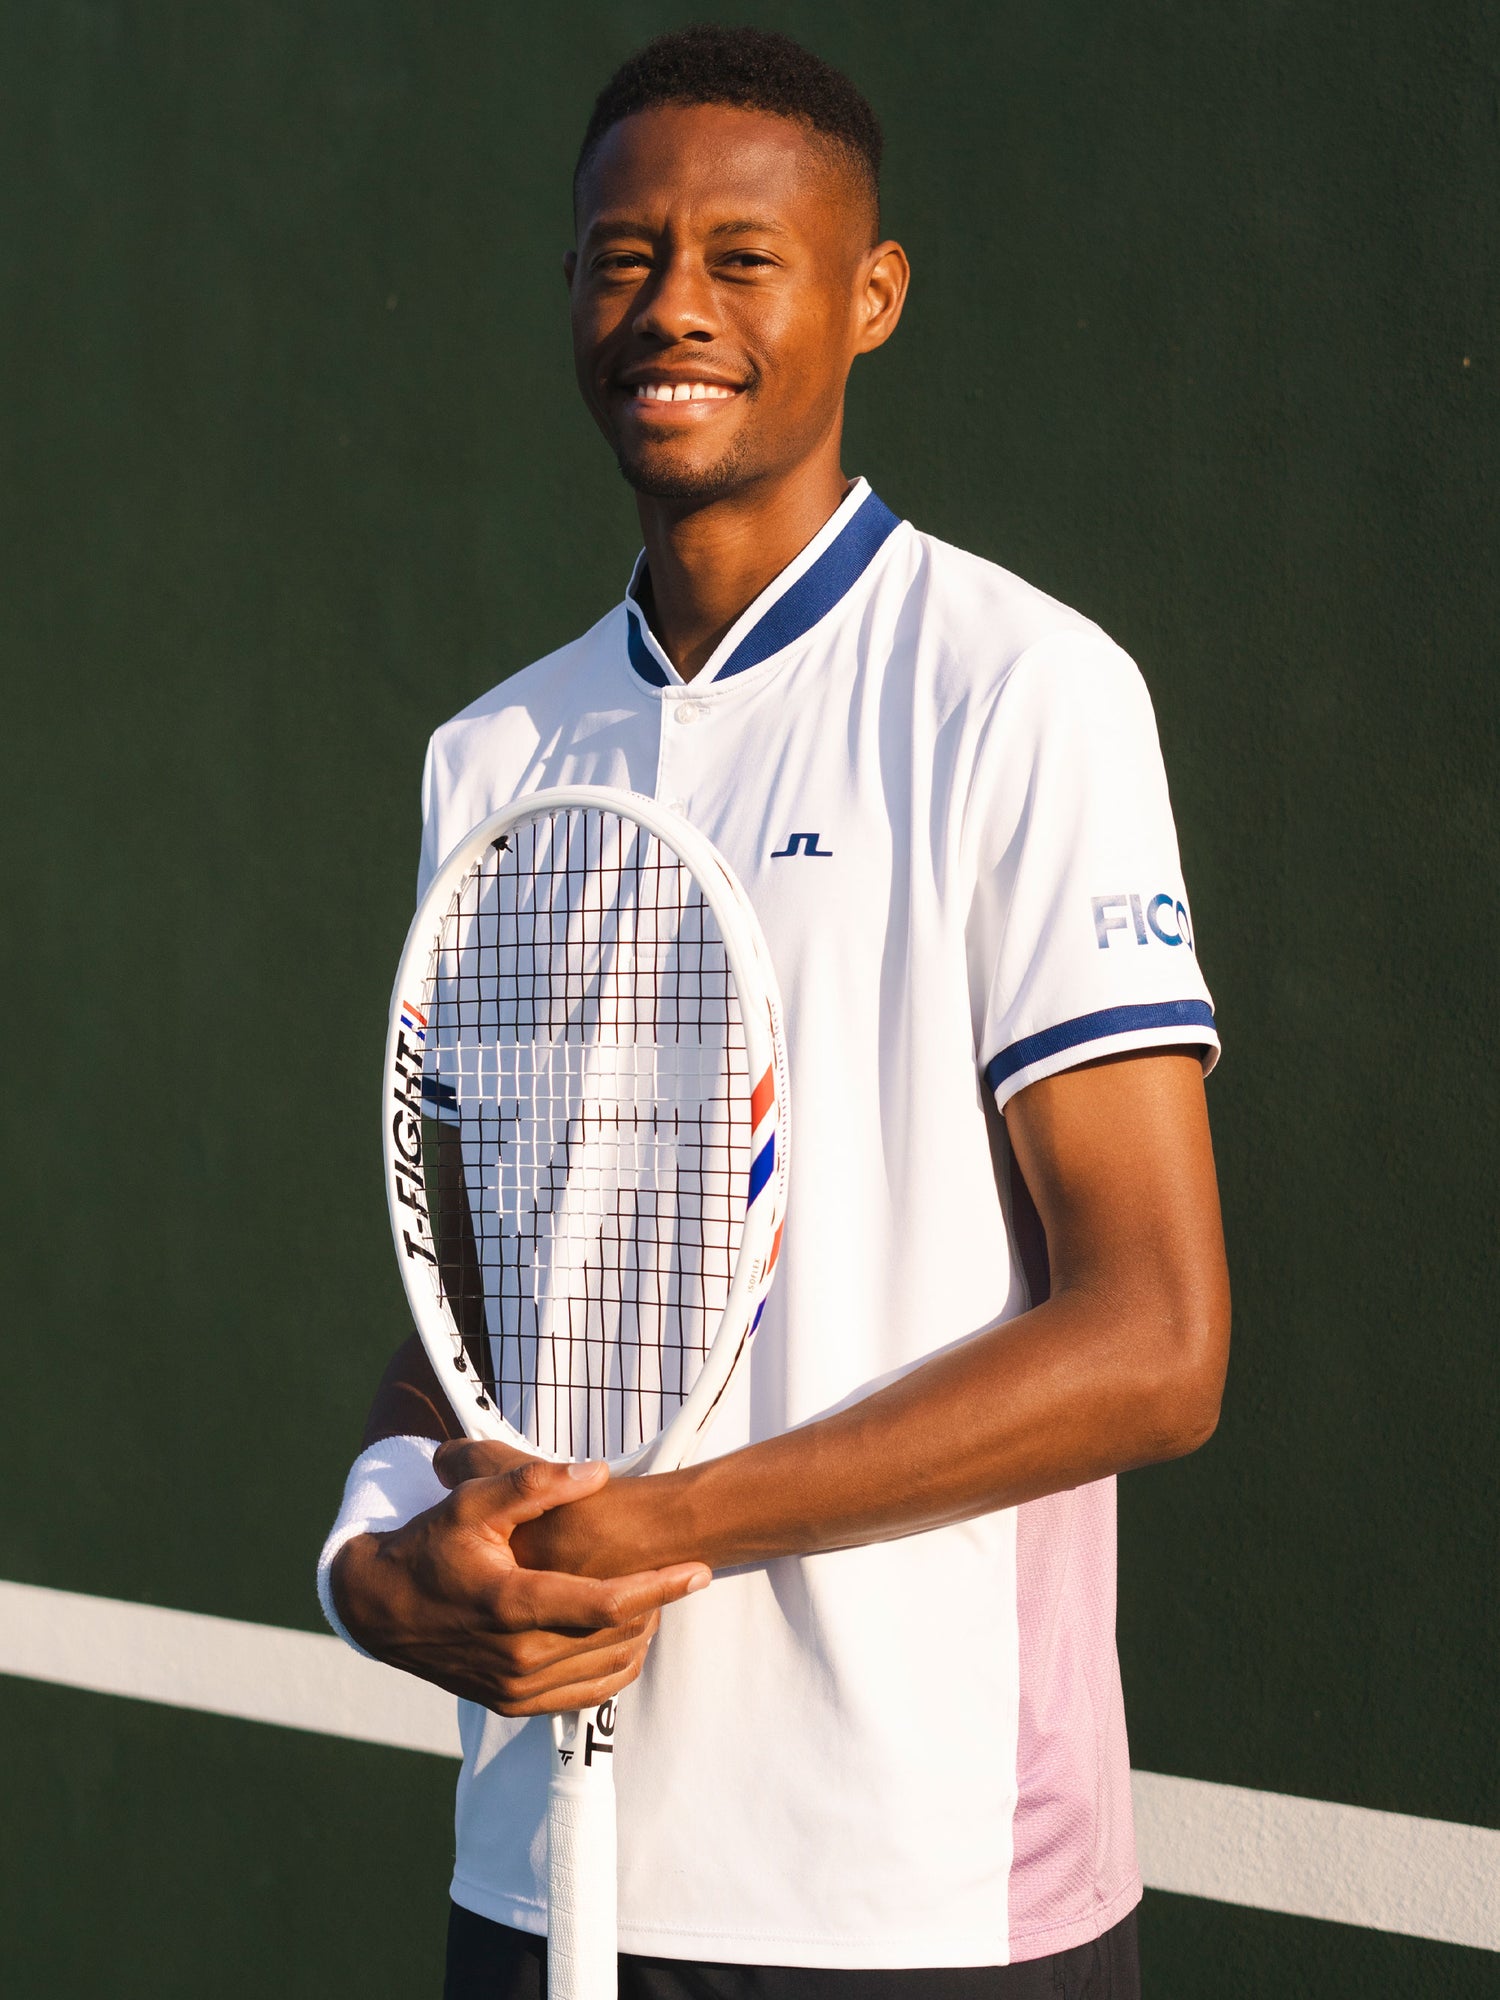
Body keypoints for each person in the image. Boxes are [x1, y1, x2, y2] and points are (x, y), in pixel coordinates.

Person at [317, 26, 1230, 2000]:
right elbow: (472, 1328)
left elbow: (1158, 1340)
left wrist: (673, 1523)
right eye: (625, 257)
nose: (675, 308)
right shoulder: (493, 760)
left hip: (927, 1908)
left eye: (745, 258)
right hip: (544, 1879)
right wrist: (375, 1560)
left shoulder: (1022, 693)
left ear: (870, 295)